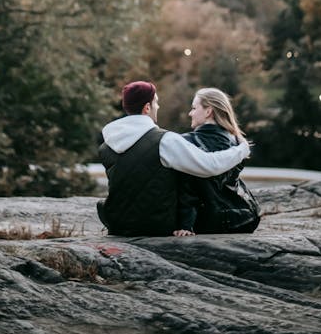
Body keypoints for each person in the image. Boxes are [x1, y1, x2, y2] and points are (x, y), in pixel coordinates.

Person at [97, 80, 251, 237]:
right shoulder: (165, 141)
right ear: (147, 107)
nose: (158, 107)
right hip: (154, 225)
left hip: (117, 224)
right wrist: (241, 149)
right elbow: (210, 165)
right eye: (156, 102)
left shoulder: (106, 145)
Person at [174, 87, 260, 237]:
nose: (190, 113)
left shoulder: (186, 142)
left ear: (208, 112)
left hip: (208, 222)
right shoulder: (239, 142)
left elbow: (187, 188)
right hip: (245, 217)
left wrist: (185, 225)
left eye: (194, 108)